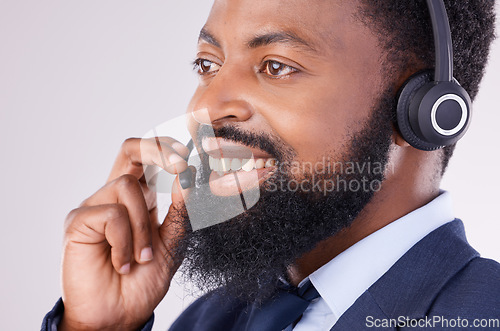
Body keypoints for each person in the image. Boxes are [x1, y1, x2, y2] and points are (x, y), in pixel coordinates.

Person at [42, 0, 499, 330]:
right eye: (208, 63)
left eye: (277, 66)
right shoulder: (210, 319)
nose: (209, 103)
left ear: (423, 109)